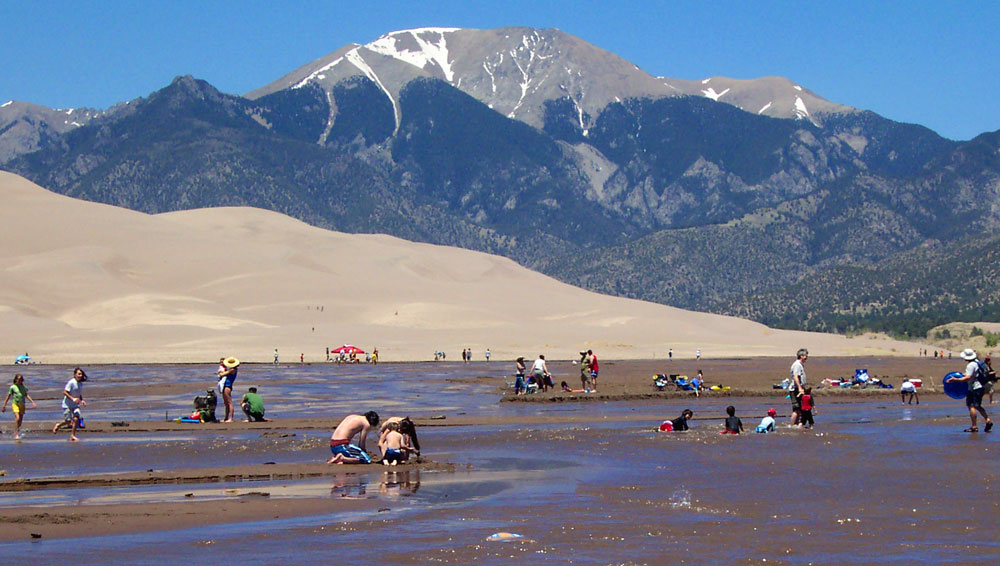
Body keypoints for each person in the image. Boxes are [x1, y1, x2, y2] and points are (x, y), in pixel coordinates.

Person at [946, 349, 993, 432]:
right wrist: (962, 375)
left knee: (971, 406)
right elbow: (973, 374)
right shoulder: (977, 362)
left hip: (974, 388)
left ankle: (974, 426)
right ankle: (987, 420)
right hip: (981, 387)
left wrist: (955, 380)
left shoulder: (970, 365)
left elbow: (968, 377)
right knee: (978, 405)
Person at [52, 367, 88, 441]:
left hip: (75, 405)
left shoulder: (80, 384)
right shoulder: (71, 382)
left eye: (81, 374)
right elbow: (64, 392)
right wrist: (72, 399)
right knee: (68, 421)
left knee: (76, 419)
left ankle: (72, 435)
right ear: (75, 375)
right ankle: (58, 425)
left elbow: (78, 394)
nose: (80, 375)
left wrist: (82, 400)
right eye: (78, 374)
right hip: (67, 405)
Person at [2, 374, 37, 440]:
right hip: (15, 404)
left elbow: (26, 395)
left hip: (22, 405)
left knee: (20, 421)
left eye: (21, 380)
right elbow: (8, 396)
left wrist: (32, 402)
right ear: (15, 380)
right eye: (18, 380)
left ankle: (17, 429)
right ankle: (16, 433)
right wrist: (4, 405)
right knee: (17, 418)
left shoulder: (24, 387)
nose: (20, 381)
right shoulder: (13, 387)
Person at [789, 348, 808, 426]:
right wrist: (800, 388)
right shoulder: (797, 365)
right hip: (795, 389)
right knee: (796, 409)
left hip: (799, 389)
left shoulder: (800, 364)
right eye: (806, 355)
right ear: (801, 356)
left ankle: (796, 425)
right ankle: (792, 425)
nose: (807, 357)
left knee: (800, 409)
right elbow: (795, 377)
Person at [218, 357, 240, 423]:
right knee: (226, 403)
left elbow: (222, 374)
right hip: (226, 386)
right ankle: (226, 418)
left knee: (229, 402)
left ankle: (231, 418)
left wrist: (220, 372)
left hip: (228, 386)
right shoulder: (231, 369)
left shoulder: (232, 370)